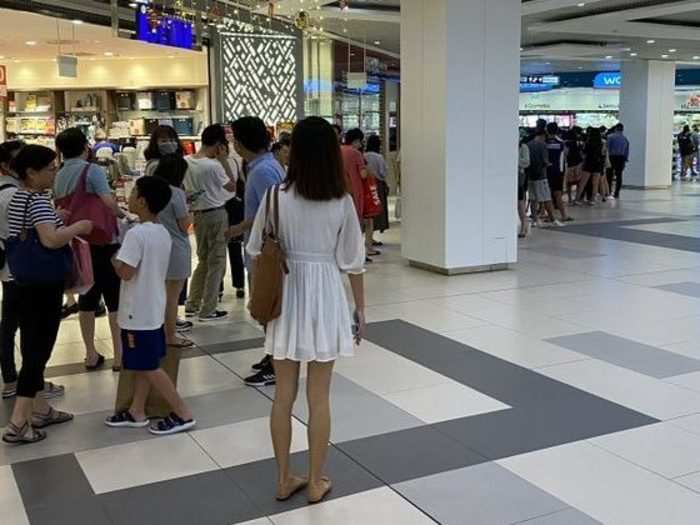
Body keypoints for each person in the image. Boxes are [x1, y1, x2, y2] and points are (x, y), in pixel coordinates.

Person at [247, 116, 365, 505]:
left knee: (283, 395)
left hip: (286, 297)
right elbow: (352, 261)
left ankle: (284, 478)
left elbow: (254, 249)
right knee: (320, 397)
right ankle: (316, 480)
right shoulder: (341, 200)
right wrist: (360, 310)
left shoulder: (275, 196)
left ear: (294, 150)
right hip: (326, 295)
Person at [2, 145, 93, 444]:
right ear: (31, 172)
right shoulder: (39, 200)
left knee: (31, 346)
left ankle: (39, 409)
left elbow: (29, 230)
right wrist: (78, 226)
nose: (55, 172)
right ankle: (18, 422)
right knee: (38, 352)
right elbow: (51, 240)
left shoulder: (18, 198)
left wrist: (56, 217)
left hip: (23, 278)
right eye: (51, 168)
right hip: (45, 283)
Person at [105, 176, 196, 435]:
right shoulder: (162, 232)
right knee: (145, 362)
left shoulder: (136, 235)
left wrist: (114, 258)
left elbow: (125, 272)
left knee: (148, 366)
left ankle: (183, 412)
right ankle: (137, 410)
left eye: (134, 192)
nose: (130, 195)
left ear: (142, 202)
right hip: (153, 306)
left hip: (137, 311)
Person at [54, 128, 124, 372]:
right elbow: (107, 203)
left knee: (87, 297)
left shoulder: (59, 174)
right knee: (114, 298)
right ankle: (119, 356)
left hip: (76, 241)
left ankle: (90, 354)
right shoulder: (90, 170)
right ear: (85, 146)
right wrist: (123, 213)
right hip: (100, 239)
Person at [226, 116, 285, 388]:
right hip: (262, 247)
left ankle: (276, 361)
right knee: (266, 305)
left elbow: (269, 211)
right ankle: (272, 353)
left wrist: (239, 227)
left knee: (265, 305)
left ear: (239, 142)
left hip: (264, 250)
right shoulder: (265, 166)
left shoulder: (262, 171)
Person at [183, 124, 236, 322]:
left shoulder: (187, 161)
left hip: (198, 215)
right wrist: (223, 161)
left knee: (203, 260)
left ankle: (192, 303)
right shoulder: (214, 165)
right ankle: (208, 308)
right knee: (217, 262)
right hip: (216, 214)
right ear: (217, 144)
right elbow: (232, 186)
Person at [154, 155, 193, 348]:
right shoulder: (176, 193)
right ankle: (170, 335)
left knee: (159, 293)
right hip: (176, 248)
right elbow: (184, 224)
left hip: (156, 247)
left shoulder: (152, 191)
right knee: (172, 296)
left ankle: (158, 332)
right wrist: (191, 211)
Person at [342, 129, 375, 258]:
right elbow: (363, 174)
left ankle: (343, 252)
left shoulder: (338, 150)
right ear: (355, 140)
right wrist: (368, 169)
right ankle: (357, 253)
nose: (361, 145)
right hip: (355, 191)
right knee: (356, 223)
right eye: (360, 141)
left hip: (340, 190)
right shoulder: (355, 153)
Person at [527, 129, 562, 227]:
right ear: (543, 136)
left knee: (533, 198)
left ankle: (534, 219)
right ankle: (553, 219)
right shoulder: (542, 145)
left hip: (530, 176)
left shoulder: (528, 144)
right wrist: (549, 164)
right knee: (546, 198)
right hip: (541, 176)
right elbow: (545, 161)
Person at [364, 134, 390, 238]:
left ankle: (369, 237)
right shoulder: (379, 157)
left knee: (368, 211)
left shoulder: (363, 155)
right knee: (378, 209)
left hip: (366, 185)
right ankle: (372, 236)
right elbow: (383, 173)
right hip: (377, 185)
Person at [545, 123, 571, 222]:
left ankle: (549, 215)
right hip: (558, 171)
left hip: (546, 171)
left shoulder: (545, 142)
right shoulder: (560, 143)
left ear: (547, 130)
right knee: (558, 194)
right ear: (557, 131)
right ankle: (564, 215)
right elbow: (565, 155)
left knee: (547, 195)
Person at [577, 127, 606, 205]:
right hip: (597, 164)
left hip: (588, 163)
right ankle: (592, 200)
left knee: (583, 183)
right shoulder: (602, 143)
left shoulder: (587, 143)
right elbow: (603, 154)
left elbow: (583, 154)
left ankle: (577, 199)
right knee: (595, 183)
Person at [607, 123, 629, 199]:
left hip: (611, 157)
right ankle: (617, 193)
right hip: (621, 158)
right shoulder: (625, 139)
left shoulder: (610, 137)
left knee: (609, 175)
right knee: (619, 175)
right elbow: (626, 151)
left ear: (616, 128)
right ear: (622, 130)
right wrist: (625, 159)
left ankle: (608, 191)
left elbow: (608, 148)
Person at [564, 128, 583, 203]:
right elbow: (581, 153)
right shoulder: (579, 143)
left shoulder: (566, 143)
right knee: (578, 182)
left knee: (569, 183)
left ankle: (569, 198)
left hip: (570, 164)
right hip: (578, 164)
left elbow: (566, 154)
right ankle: (577, 198)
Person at [518, 136, 530, 238]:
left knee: (520, 203)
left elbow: (526, 162)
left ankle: (523, 225)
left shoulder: (523, 147)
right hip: (507, 177)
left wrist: (514, 161)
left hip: (519, 176)